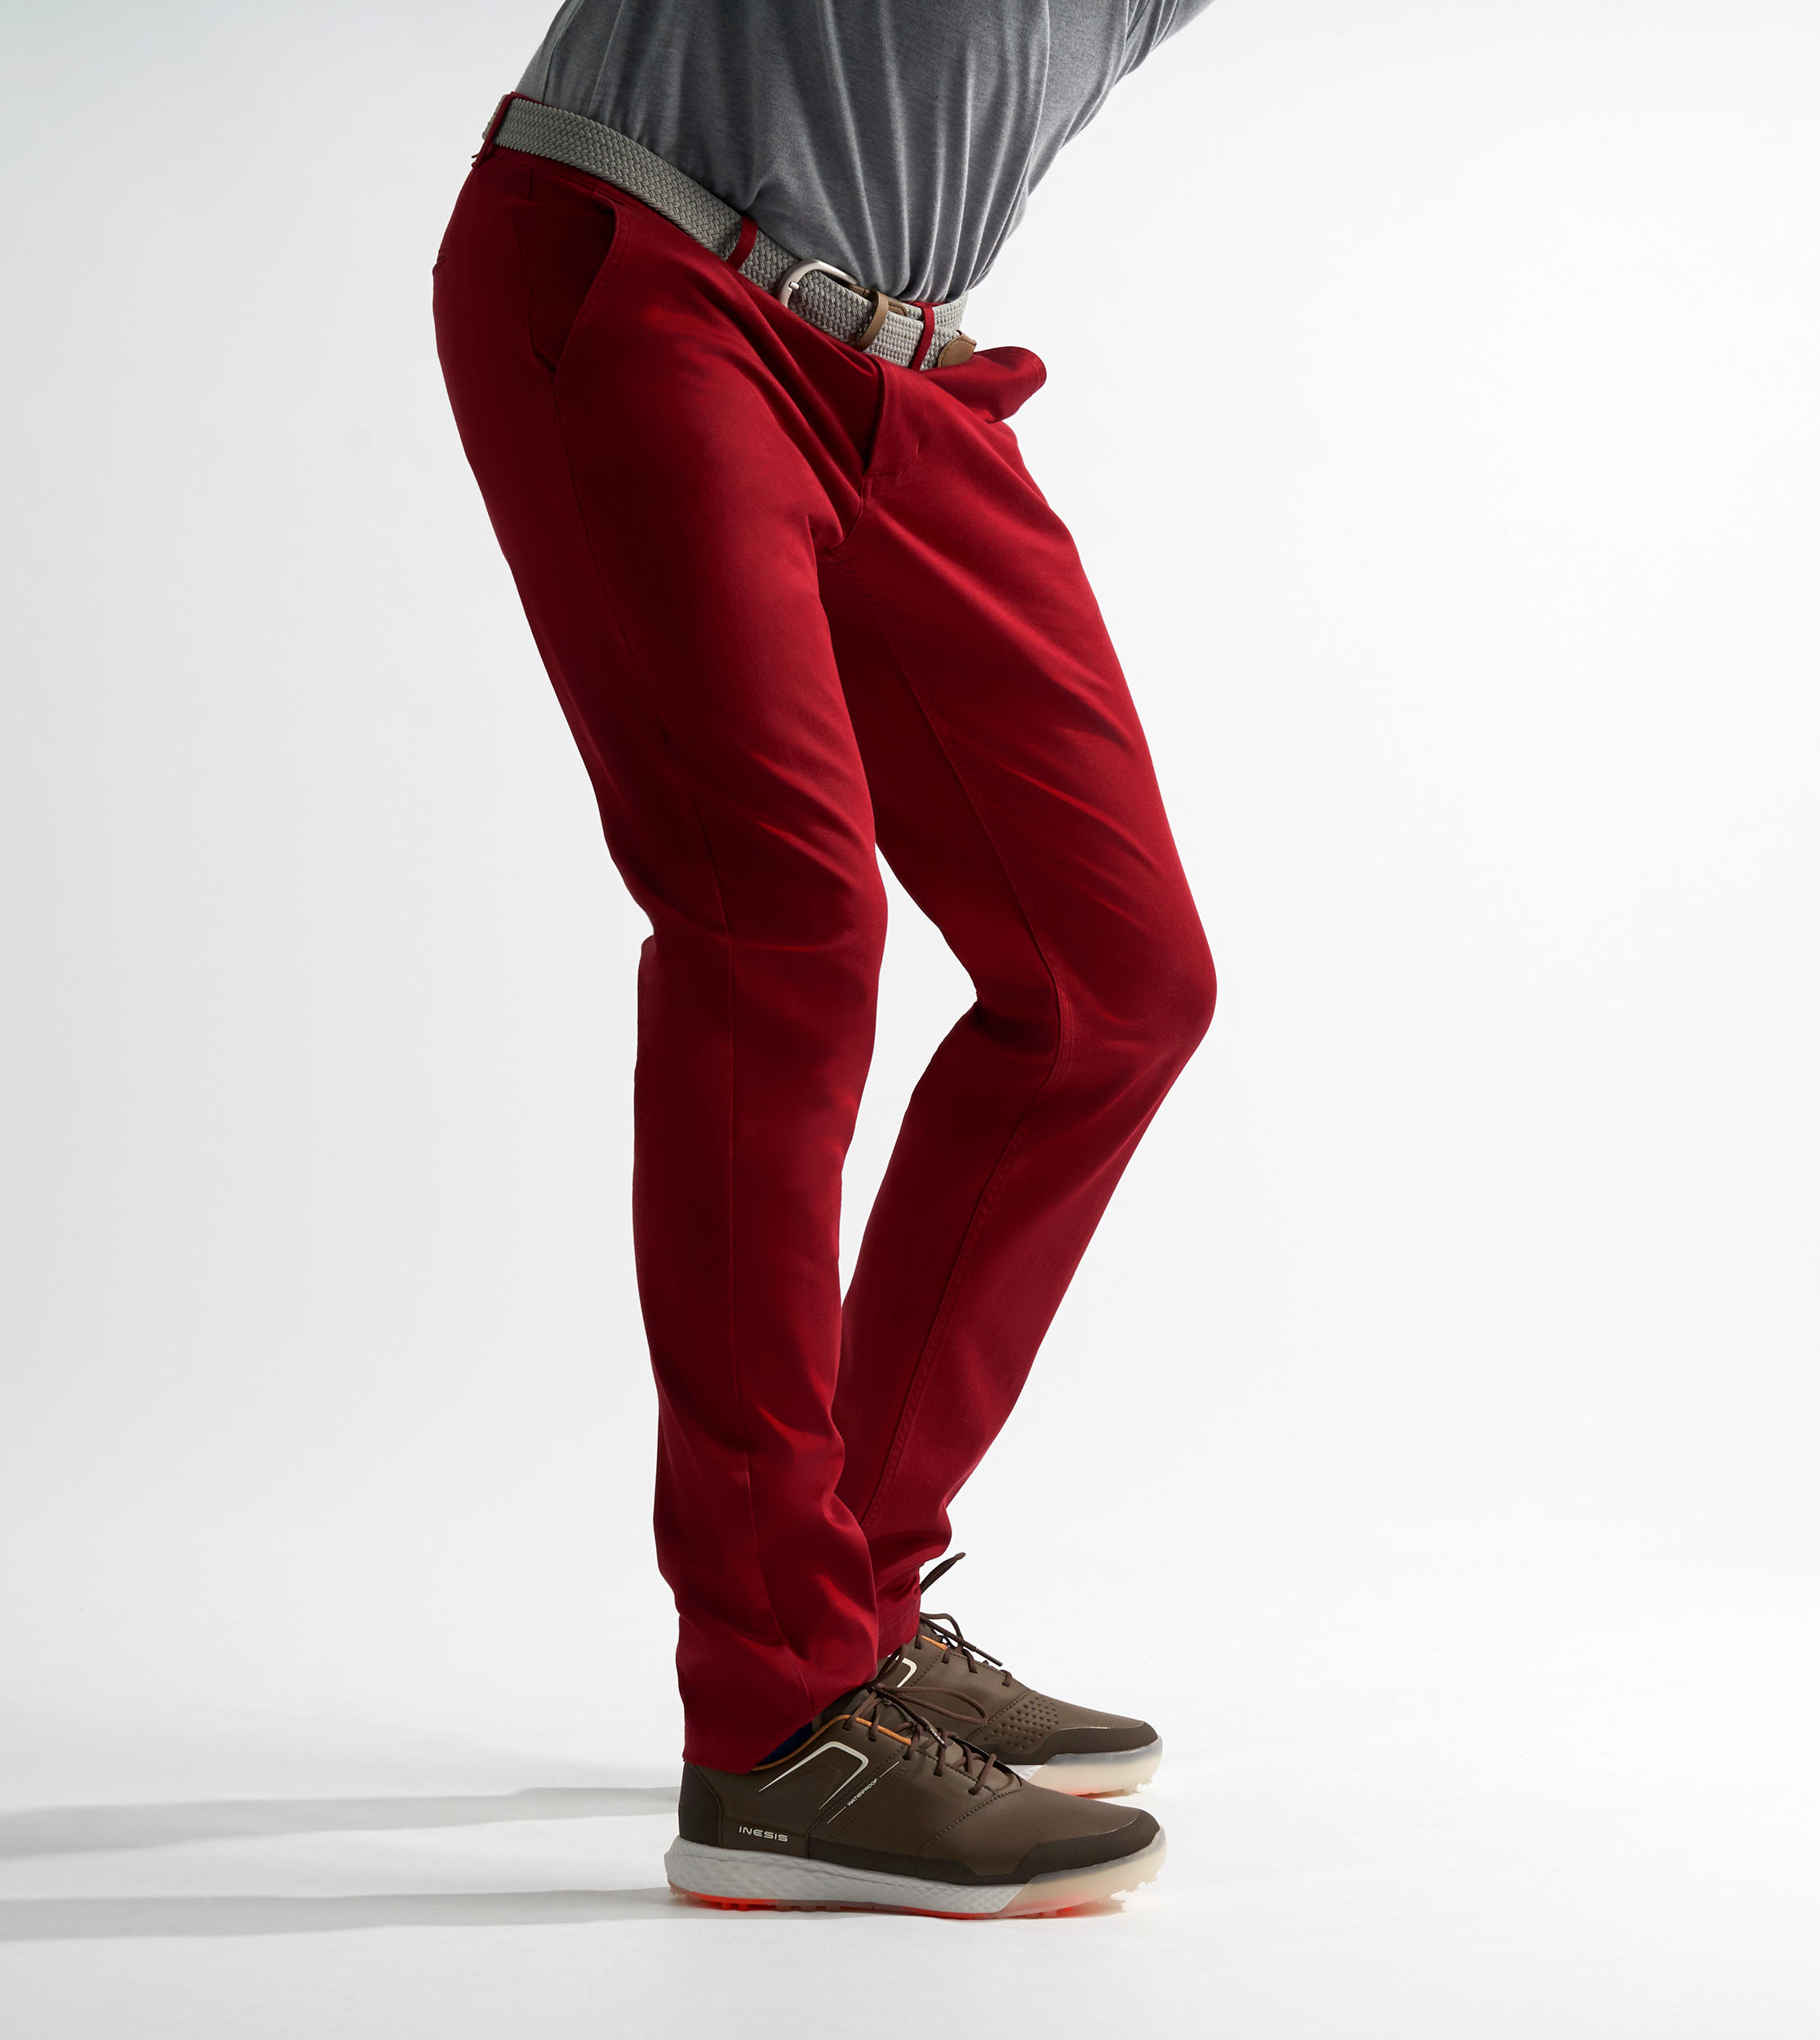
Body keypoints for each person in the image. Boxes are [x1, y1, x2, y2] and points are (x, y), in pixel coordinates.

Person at [434, 0, 1219, 1918]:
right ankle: (777, 1721)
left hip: (899, 371)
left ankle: (848, 1595)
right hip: (648, 276)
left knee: (1114, 982)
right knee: (778, 925)